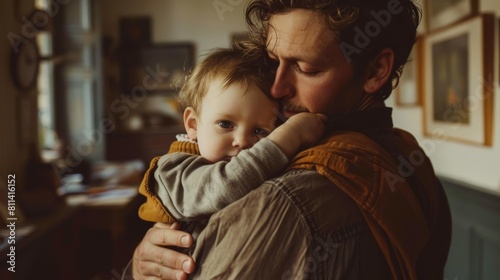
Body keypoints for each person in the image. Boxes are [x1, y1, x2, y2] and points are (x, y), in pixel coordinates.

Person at [129, 0, 452, 279]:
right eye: (274, 63)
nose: (276, 88)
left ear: (375, 70)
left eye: (305, 68)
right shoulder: (410, 155)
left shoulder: (286, 199)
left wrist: (137, 272)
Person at [137, 42, 326, 238]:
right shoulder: (172, 169)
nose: (242, 141)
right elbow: (225, 186)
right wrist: (290, 135)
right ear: (193, 125)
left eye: (259, 130)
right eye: (225, 124)